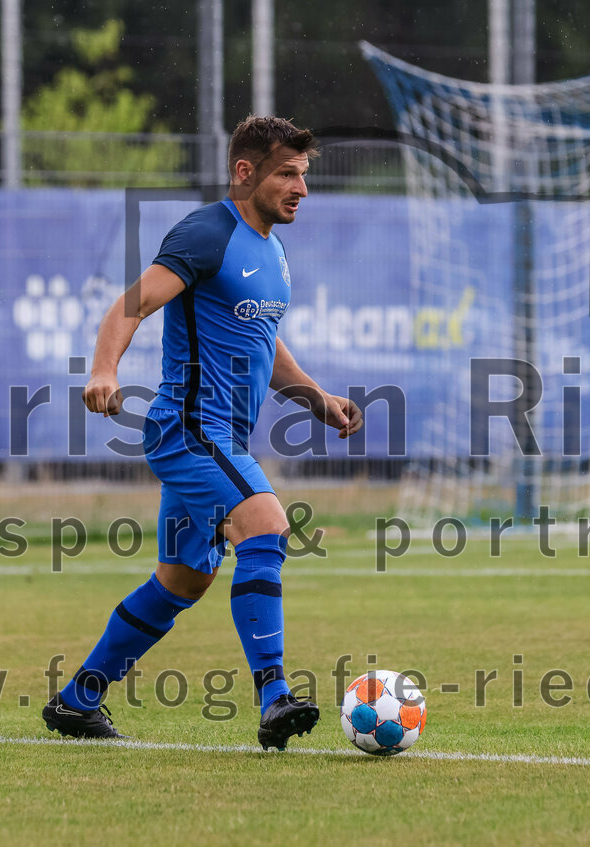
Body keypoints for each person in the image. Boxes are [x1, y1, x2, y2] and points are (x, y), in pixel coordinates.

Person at [42, 116, 363, 750]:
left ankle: (78, 700)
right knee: (266, 525)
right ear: (245, 173)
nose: (300, 188)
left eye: (304, 175)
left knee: (184, 580)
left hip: (220, 437)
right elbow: (131, 303)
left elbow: (264, 347)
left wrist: (318, 399)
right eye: (286, 174)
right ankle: (274, 698)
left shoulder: (271, 249)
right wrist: (104, 369)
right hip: (191, 428)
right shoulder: (208, 232)